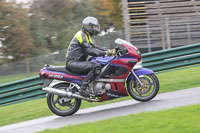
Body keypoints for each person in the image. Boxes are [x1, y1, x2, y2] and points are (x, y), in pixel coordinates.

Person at [66, 16, 115, 96]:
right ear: (88, 26)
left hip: (78, 61)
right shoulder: (81, 35)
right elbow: (90, 50)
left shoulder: (85, 35)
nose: (96, 29)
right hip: (74, 62)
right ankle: (83, 88)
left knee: (96, 63)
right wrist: (105, 53)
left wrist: (109, 50)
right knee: (96, 66)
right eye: (95, 27)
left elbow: (94, 47)